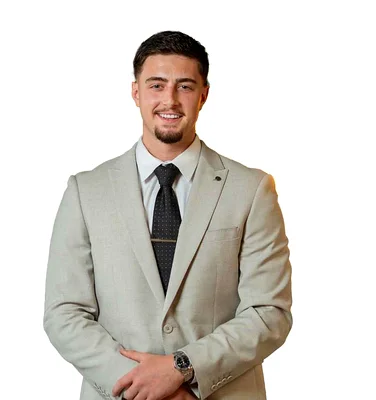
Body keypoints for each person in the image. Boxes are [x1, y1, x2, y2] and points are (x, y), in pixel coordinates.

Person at [44, 30, 293, 400]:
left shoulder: (252, 189)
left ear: (203, 94)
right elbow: (65, 313)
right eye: (156, 85)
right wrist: (144, 386)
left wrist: (182, 369)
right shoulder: (85, 191)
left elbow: (269, 312)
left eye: (185, 86)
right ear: (136, 92)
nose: (170, 99)